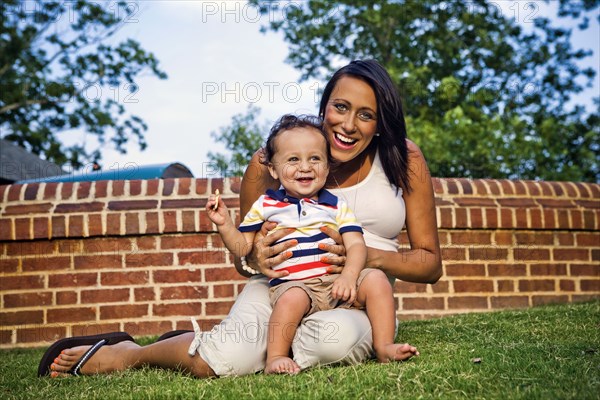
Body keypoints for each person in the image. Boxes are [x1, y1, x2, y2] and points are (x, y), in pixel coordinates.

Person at [40, 59, 441, 379]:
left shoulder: (403, 160)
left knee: (330, 342)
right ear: (324, 107)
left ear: (380, 123)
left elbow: (429, 263)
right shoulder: (273, 160)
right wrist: (255, 260)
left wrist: (363, 258)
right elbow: (244, 256)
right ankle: (129, 353)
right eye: (340, 107)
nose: (348, 125)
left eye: (366, 115)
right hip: (281, 287)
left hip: (356, 300)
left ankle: (263, 347)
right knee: (220, 361)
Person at [205, 114, 418, 374]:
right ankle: (276, 358)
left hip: (336, 283)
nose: (305, 167)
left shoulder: (335, 205)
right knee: (291, 300)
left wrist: (350, 277)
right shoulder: (266, 206)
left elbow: (356, 245)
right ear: (273, 168)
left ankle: (384, 346)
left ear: (327, 167)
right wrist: (225, 225)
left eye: (315, 158)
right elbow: (242, 248)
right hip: (293, 284)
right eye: (293, 159)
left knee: (376, 280)